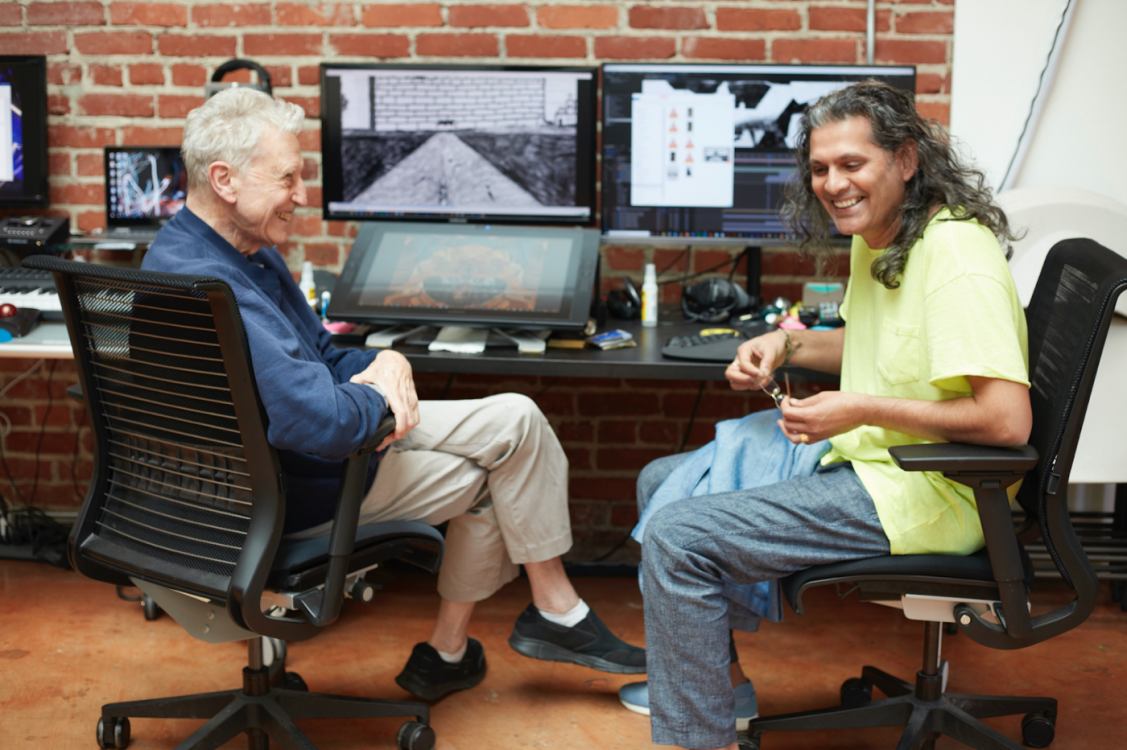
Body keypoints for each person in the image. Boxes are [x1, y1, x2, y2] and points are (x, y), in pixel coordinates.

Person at [141, 88, 644, 702]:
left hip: (277, 470)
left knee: (518, 419)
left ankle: (533, 620)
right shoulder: (213, 283)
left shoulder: (229, 251)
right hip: (294, 491)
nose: (301, 196)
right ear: (224, 179)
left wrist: (386, 360)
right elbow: (321, 423)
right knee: (497, 476)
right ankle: (486, 638)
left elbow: (321, 358)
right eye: (289, 178)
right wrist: (381, 397)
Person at [619, 80, 1031, 750]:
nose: (832, 184)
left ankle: (698, 740)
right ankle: (722, 690)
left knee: (676, 535)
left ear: (904, 160)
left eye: (851, 165)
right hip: (874, 460)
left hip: (930, 488)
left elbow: (1006, 422)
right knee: (662, 480)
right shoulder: (885, 233)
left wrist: (857, 407)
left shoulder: (955, 259)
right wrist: (781, 343)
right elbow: (873, 344)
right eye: (818, 168)